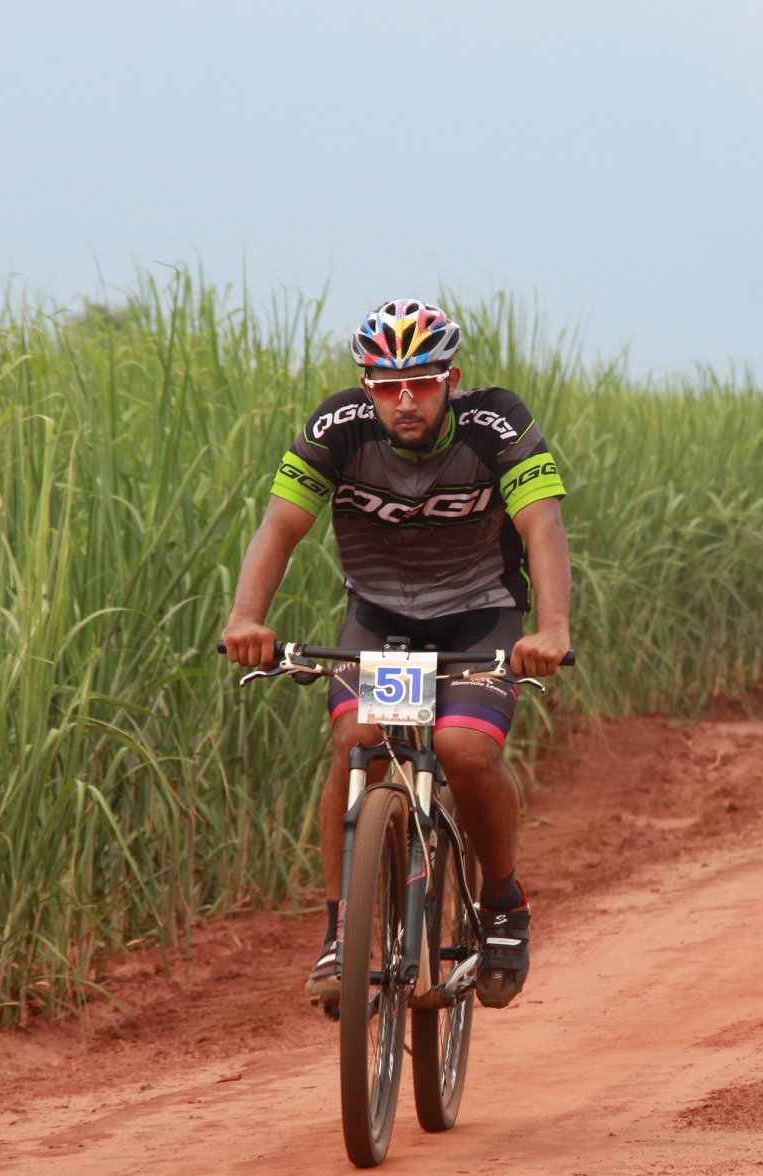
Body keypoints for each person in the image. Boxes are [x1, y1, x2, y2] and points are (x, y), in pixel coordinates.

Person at [220, 300, 572, 1010]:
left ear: (452, 379)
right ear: (366, 385)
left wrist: (553, 627)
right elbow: (280, 526)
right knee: (358, 738)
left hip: (481, 620)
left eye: (421, 381)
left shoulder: (494, 424)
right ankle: (340, 931)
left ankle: (503, 903)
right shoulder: (338, 429)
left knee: (465, 750)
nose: (404, 400)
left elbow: (543, 524)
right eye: (385, 384)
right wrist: (245, 618)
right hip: (383, 625)